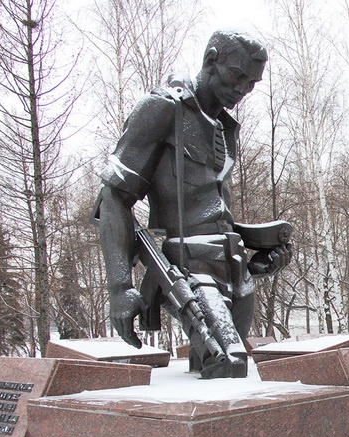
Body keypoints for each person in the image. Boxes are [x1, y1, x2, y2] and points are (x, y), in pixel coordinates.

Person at [93, 31, 292, 378]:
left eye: (252, 83)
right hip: (187, 267)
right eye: (237, 75)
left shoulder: (225, 126)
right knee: (229, 361)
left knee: (217, 370)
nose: (243, 89)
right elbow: (113, 198)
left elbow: (213, 208)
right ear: (210, 61)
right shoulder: (163, 108)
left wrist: (260, 255)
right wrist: (119, 286)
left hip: (233, 269)